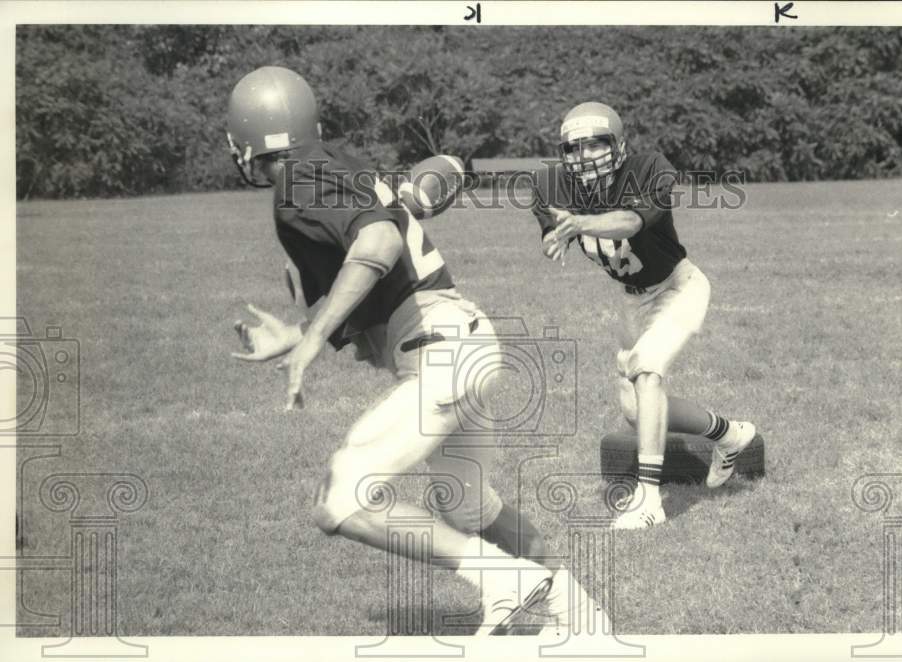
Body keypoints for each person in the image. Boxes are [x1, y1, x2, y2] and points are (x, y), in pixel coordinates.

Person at [226, 66, 597, 635]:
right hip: (464, 340)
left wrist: (314, 340)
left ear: (247, 142)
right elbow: (391, 230)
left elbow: (379, 240)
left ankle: (505, 580)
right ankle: (582, 616)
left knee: (339, 499)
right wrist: (298, 333)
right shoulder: (338, 164)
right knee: (471, 509)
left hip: (437, 353)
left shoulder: (296, 184)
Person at [531, 102, 762, 530]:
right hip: (632, 300)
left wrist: (579, 223)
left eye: (595, 144)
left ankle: (649, 500)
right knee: (636, 411)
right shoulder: (552, 183)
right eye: (574, 148)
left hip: (678, 287)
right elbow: (551, 235)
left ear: (618, 145)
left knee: (648, 370)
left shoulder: (648, 168)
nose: (584, 156)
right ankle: (730, 434)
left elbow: (629, 223)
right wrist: (554, 239)